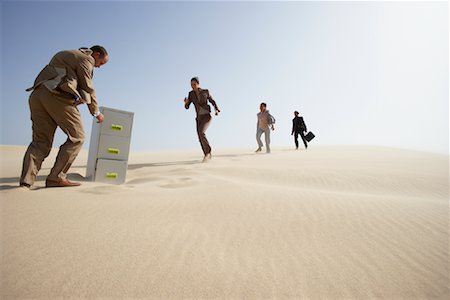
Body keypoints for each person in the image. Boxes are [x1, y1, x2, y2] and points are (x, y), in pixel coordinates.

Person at [20, 46, 109, 188]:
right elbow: (88, 87)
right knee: (77, 137)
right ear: (96, 54)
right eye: (101, 63)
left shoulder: (68, 55)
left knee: (40, 142)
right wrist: (96, 112)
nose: (99, 67)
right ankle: (56, 178)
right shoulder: (86, 58)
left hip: (37, 95)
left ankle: (26, 182)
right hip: (56, 97)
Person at [184, 77, 220, 162]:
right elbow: (187, 107)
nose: (192, 86)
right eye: (191, 85)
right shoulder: (191, 94)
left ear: (198, 84)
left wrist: (216, 109)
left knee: (201, 132)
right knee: (200, 136)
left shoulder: (205, 92)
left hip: (207, 116)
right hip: (198, 118)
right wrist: (185, 103)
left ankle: (208, 152)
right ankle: (206, 155)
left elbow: (212, 101)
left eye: (194, 84)